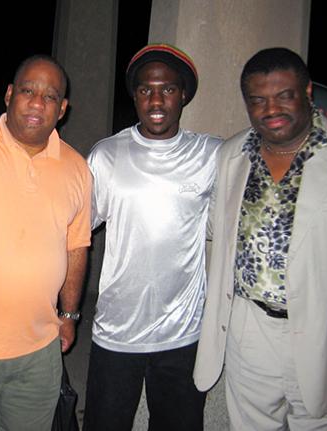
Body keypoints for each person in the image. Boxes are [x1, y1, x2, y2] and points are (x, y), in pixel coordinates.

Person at [194, 47, 327, 429]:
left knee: (322, 422)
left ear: (308, 93)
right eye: (257, 100)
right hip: (249, 325)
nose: (271, 109)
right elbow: (213, 225)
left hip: (325, 328)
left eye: (284, 96)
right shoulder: (231, 154)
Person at [0, 55, 92, 431]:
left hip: (39, 354)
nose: (37, 103)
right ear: (9, 95)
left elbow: (77, 247)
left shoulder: (77, 167)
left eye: (50, 96)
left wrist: (70, 315)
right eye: (28, 90)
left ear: (62, 110)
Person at [82, 44, 221, 431]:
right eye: (146, 90)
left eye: (168, 89)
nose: (156, 99)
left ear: (183, 95)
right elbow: (74, 231)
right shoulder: (107, 156)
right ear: (135, 96)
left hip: (183, 334)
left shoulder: (211, 154)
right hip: (117, 332)